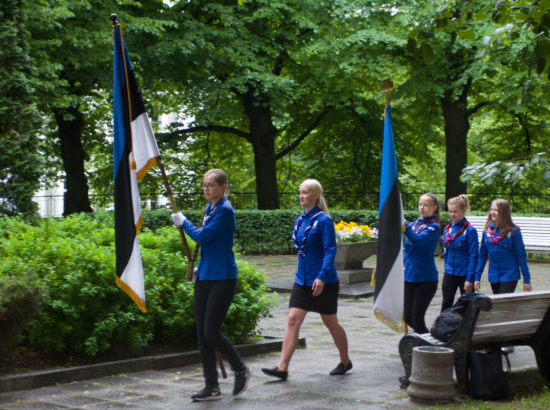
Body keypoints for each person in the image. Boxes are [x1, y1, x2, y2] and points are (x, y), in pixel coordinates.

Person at [171, 169, 250, 402]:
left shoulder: (225, 211)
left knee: (211, 332)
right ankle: (211, 386)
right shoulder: (210, 209)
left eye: (212, 185)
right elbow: (208, 246)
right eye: (205, 185)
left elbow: (204, 237)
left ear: (223, 187)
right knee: (202, 334)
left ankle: (240, 369)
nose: (207, 189)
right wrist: (199, 268)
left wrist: (184, 223)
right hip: (205, 276)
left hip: (223, 278)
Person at [261, 179, 352, 380]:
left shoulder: (324, 220)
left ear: (316, 195)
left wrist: (321, 276)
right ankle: (282, 368)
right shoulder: (300, 220)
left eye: (305, 192)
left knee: (331, 323)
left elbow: (330, 250)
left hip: (324, 282)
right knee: (293, 320)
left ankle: (345, 360)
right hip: (302, 280)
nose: (301, 196)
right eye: (300, 192)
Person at [474, 198, 532, 294]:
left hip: (509, 275)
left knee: (504, 302)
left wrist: (526, 280)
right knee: (498, 302)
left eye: (496, 210)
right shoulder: (487, 232)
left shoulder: (514, 232)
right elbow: (482, 256)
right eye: (491, 209)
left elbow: (521, 256)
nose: (492, 212)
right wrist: (477, 277)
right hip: (493, 275)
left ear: (504, 213)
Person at [404, 193, 441, 333]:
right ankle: (425, 339)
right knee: (407, 317)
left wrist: (404, 226)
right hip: (409, 276)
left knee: (417, 318)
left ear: (434, 208)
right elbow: (406, 248)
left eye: (426, 205)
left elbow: (417, 240)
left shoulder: (433, 227)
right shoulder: (414, 224)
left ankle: (426, 344)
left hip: (425, 278)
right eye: (420, 204)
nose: (422, 208)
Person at [441, 195, 479, 312]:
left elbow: (474, 255)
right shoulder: (447, 229)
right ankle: (443, 328)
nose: (452, 214)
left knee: (467, 306)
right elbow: (446, 251)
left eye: (455, 212)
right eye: (450, 211)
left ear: (463, 210)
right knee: (446, 302)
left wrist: (470, 278)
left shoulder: (470, 230)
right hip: (450, 272)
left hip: (464, 273)